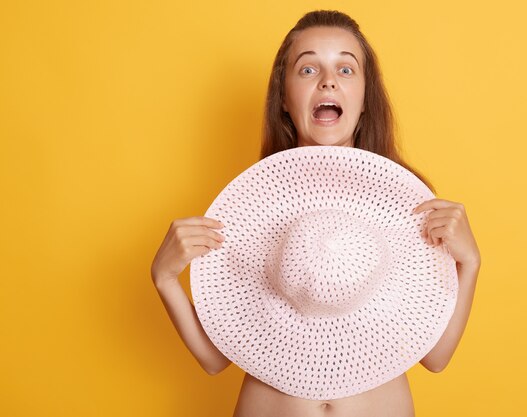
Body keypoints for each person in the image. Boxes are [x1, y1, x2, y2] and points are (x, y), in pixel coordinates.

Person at [151, 10, 481, 417]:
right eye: (308, 69)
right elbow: (216, 359)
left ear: (364, 99)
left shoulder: (406, 207)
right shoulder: (250, 207)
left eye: (346, 68)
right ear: (285, 100)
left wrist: (470, 262)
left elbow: (435, 357)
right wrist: (165, 278)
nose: (328, 80)